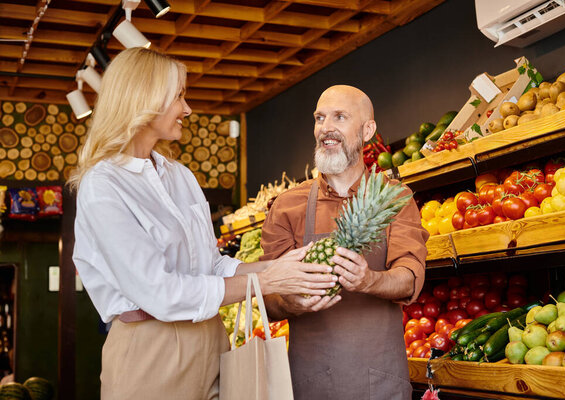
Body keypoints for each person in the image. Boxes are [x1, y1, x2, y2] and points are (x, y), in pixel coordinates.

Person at [69, 47, 337, 400]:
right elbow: (159, 292)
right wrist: (267, 280)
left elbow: (210, 265)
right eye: (179, 95)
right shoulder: (103, 186)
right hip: (151, 350)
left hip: (213, 338)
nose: (187, 108)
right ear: (144, 99)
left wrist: (284, 266)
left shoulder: (180, 176)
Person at [260, 85, 429, 399]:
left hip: (379, 382)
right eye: (320, 118)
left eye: (340, 117)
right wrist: (292, 302)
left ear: (367, 130)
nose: (326, 128)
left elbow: (409, 279)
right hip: (309, 384)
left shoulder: (394, 198)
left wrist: (368, 280)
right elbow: (267, 296)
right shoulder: (286, 206)